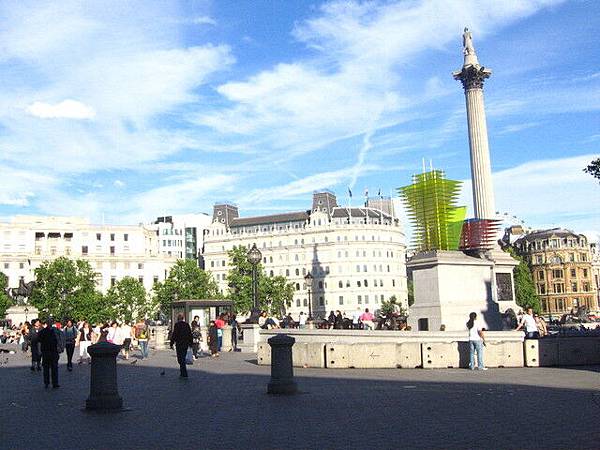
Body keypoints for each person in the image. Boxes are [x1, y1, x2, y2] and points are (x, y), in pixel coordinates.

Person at [37, 318, 60, 388]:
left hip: (52, 351)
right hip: (46, 351)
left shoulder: (54, 331)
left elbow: (58, 341)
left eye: (51, 322)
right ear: (47, 323)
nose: (50, 323)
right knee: (48, 368)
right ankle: (48, 382)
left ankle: (53, 383)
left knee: (53, 368)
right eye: (49, 322)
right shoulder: (44, 332)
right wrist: (39, 350)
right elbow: (39, 342)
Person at [170, 314, 193, 378]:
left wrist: (171, 343)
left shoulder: (177, 325)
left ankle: (184, 373)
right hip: (185, 343)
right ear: (183, 318)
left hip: (179, 344)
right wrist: (191, 343)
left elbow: (174, 334)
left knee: (180, 358)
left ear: (178, 318)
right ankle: (183, 372)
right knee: (182, 357)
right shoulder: (186, 325)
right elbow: (190, 334)